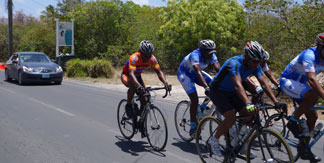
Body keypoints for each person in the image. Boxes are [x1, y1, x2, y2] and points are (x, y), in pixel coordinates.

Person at [207, 41, 285, 157]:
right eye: (254, 61)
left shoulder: (255, 65)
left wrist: (276, 101)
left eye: (258, 62)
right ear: (247, 57)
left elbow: (264, 83)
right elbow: (238, 85)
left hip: (231, 91)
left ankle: (239, 142)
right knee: (231, 117)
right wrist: (248, 103)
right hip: (217, 91)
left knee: (250, 113)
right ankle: (214, 140)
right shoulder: (234, 63)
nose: (256, 64)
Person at [280, 33, 324, 162]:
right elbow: (312, 79)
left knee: (313, 117)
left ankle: (304, 149)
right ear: (320, 46)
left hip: (301, 87)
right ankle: (293, 121)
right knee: (314, 95)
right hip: (287, 82)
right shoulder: (309, 55)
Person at [177, 39, 220, 138]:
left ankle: (203, 107)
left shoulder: (212, 55)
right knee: (194, 99)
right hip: (185, 74)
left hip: (196, 73)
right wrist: (206, 87)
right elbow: (198, 72)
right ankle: (192, 127)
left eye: (213, 52)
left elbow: (219, 69)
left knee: (215, 86)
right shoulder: (194, 55)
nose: (211, 55)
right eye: (209, 52)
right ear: (202, 51)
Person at [121, 40, 171, 120]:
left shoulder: (152, 59)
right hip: (127, 75)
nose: (147, 58)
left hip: (137, 76)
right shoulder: (134, 58)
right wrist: (138, 86)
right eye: (145, 55)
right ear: (140, 52)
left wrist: (165, 83)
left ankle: (141, 121)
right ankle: (129, 105)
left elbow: (159, 72)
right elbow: (131, 74)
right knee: (134, 87)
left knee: (145, 98)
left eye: (149, 55)